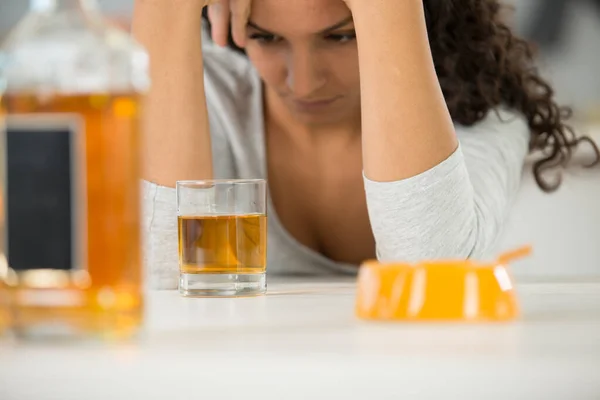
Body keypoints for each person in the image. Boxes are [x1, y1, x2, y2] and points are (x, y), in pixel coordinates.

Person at [133, 0, 598, 288]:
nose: (305, 81)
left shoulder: (478, 116)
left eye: (341, 35)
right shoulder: (209, 94)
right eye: (266, 37)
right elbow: (163, 286)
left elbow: (429, 274)